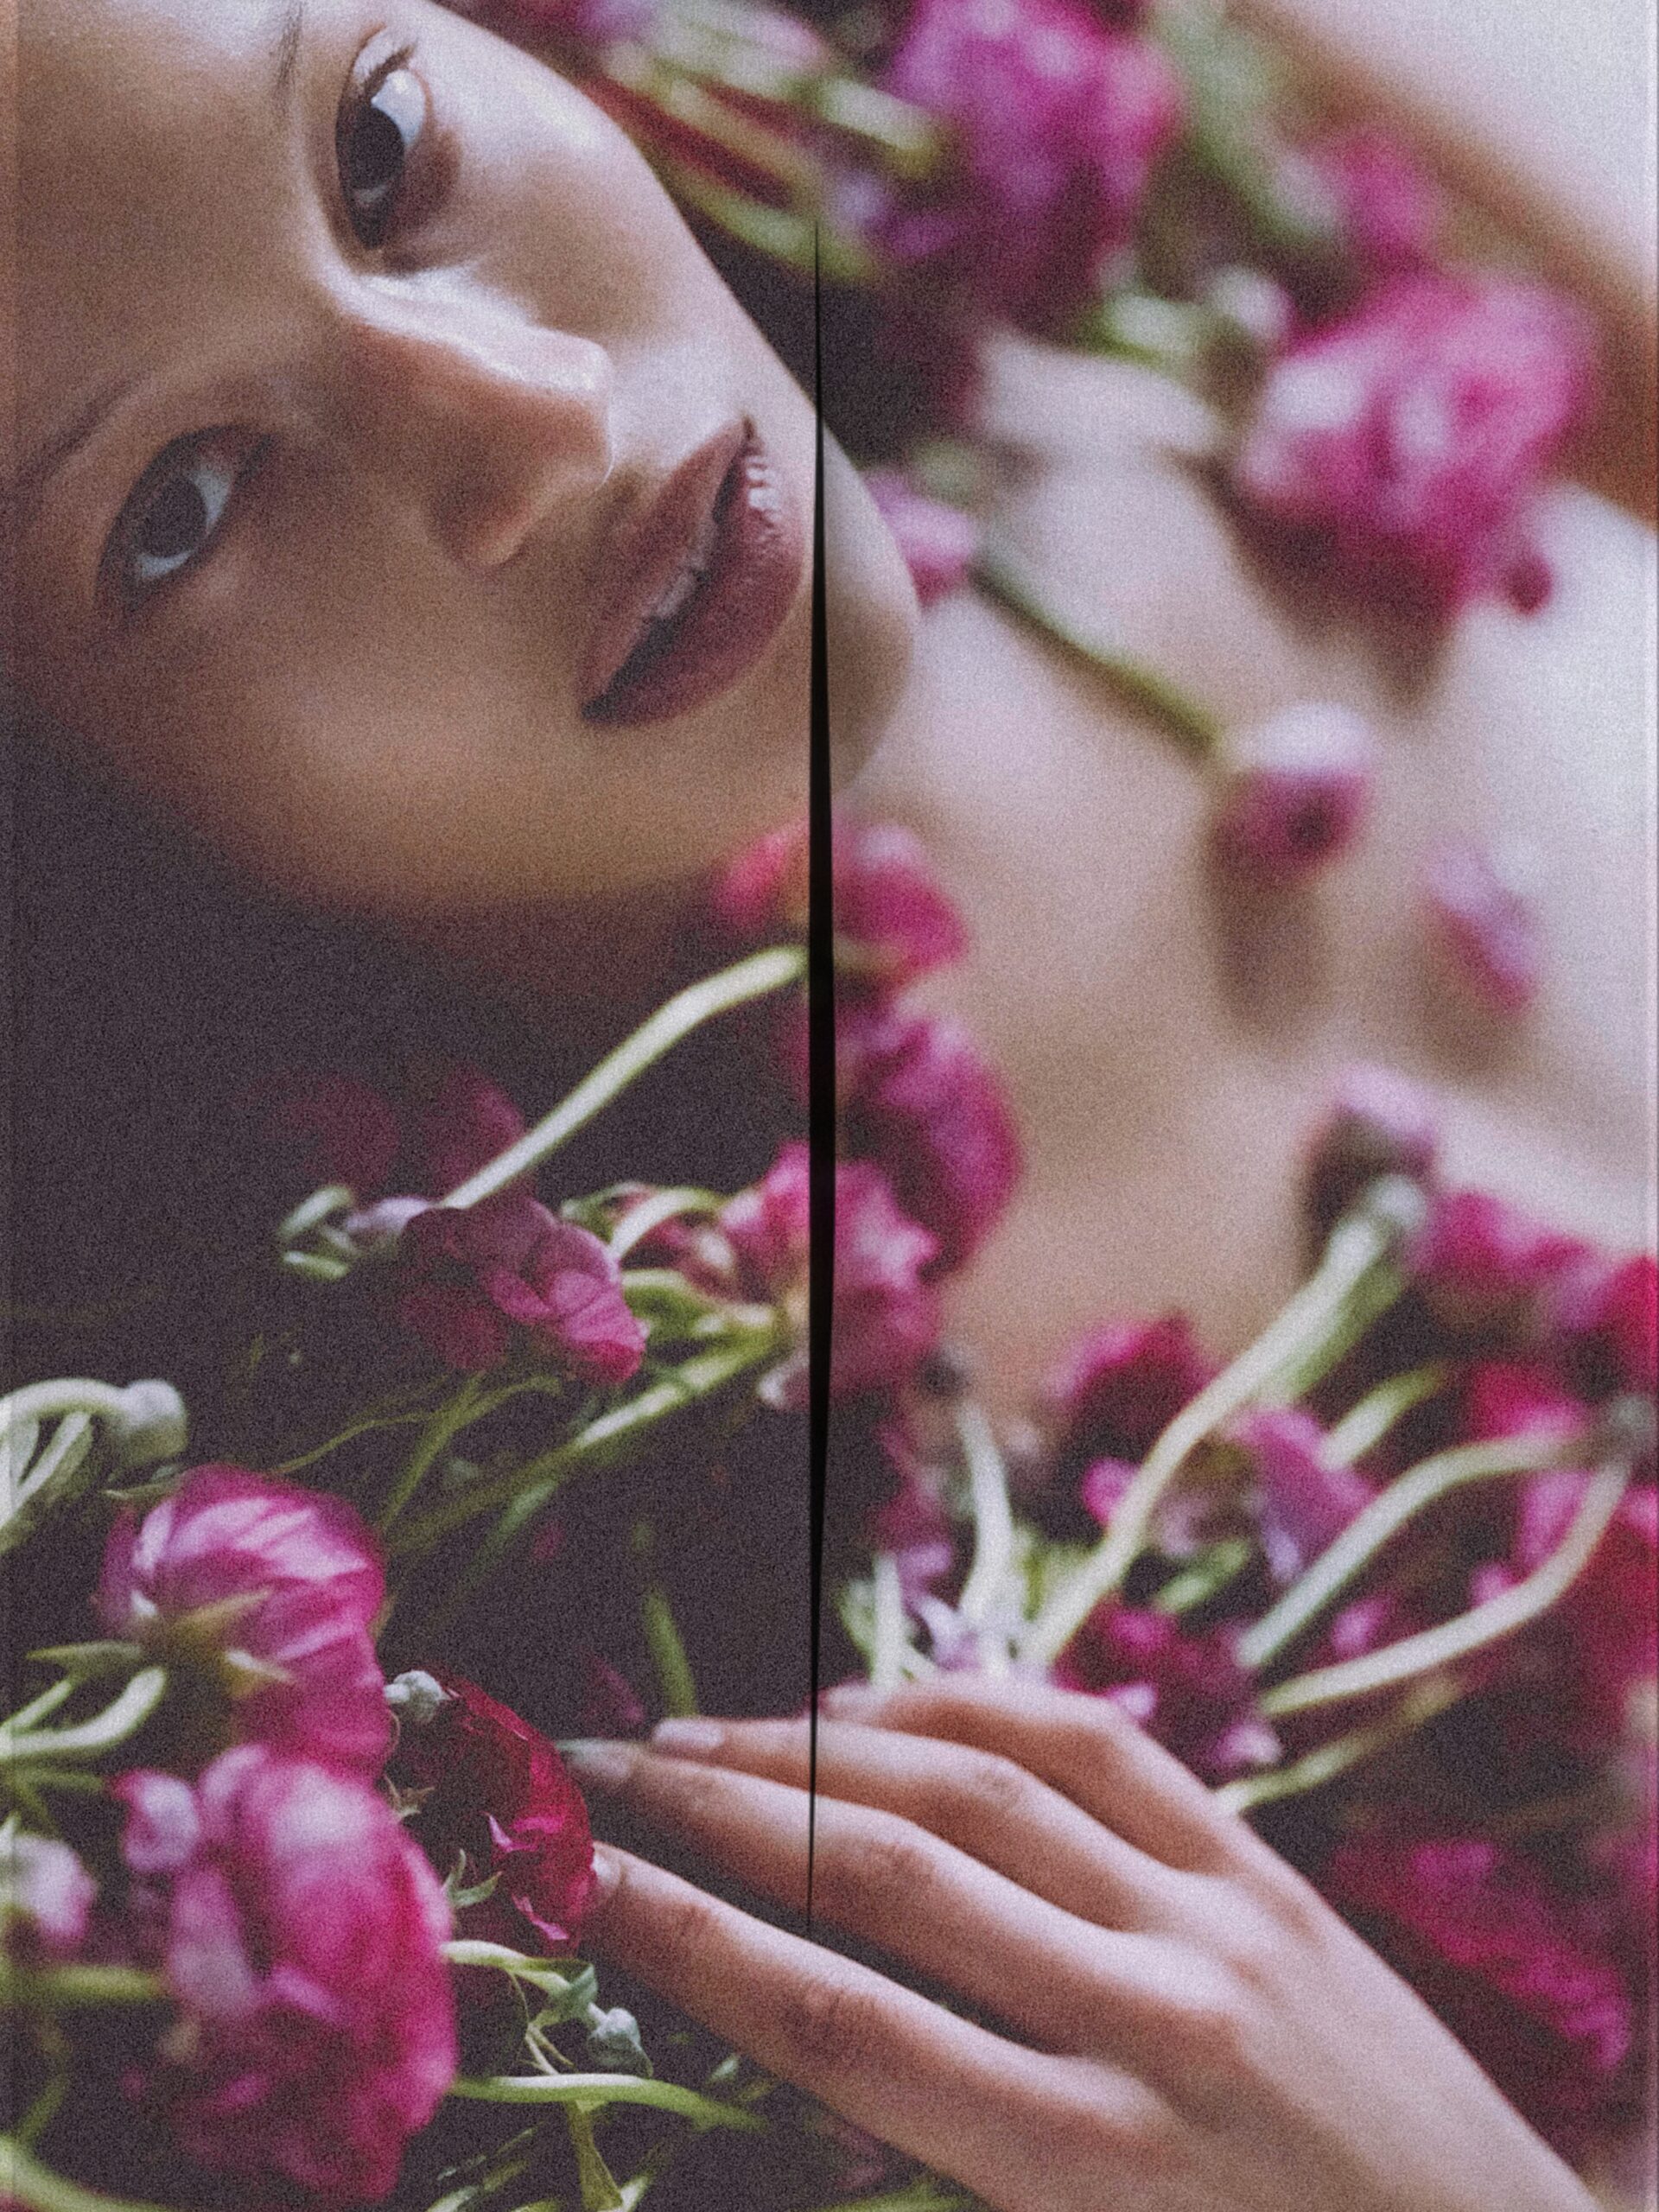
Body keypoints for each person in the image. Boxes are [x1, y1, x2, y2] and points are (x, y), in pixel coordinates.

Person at [1, 3, 1649, 2208]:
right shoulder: (727, 1769)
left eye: (381, 151)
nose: (536, 418)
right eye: (180, 513)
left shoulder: (1070, 175)